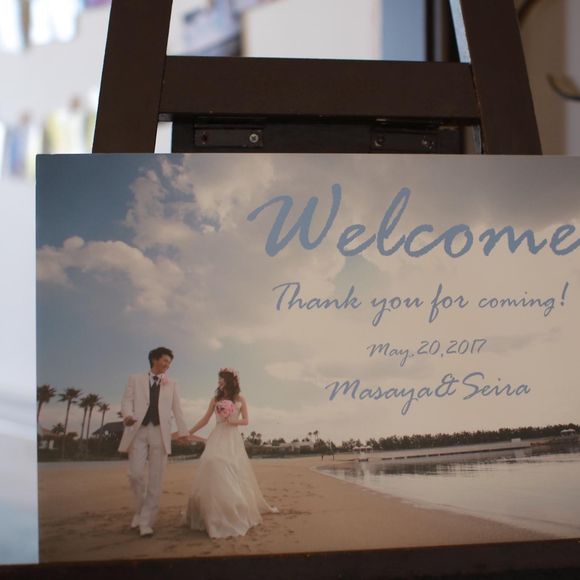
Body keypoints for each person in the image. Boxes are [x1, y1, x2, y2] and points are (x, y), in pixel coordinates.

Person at [184, 368, 277, 538]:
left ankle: (233, 508)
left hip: (232, 438)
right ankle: (213, 511)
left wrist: (232, 420)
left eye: (222, 378)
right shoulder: (215, 399)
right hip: (217, 435)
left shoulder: (240, 399)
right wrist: (189, 431)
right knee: (212, 461)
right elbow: (205, 419)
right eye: (218, 379)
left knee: (231, 468)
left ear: (230, 381)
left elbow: (246, 421)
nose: (219, 381)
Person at [118, 347, 193, 537]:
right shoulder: (135, 379)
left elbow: (177, 409)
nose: (168, 365)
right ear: (154, 359)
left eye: (170, 362)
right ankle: (139, 510)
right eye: (165, 360)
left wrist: (183, 432)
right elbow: (126, 401)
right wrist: (127, 416)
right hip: (138, 430)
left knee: (156, 479)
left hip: (160, 432)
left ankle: (146, 522)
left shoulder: (172, 383)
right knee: (135, 475)